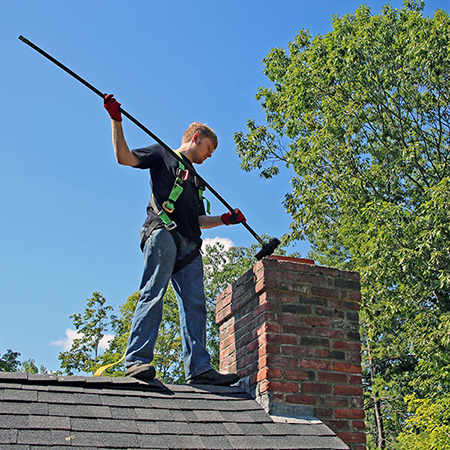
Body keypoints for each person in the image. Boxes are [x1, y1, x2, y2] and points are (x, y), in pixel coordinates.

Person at [104, 94, 246, 385]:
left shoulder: (196, 180)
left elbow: (197, 221)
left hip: (190, 245)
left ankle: (199, 369)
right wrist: (115, 119)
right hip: (163, 232)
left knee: (196, 304)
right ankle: (137, 360)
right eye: (209, 148)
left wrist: (224, 219)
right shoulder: (162, 154)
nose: (209, 156)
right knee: (153, 291)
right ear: (196, 138)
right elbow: (124, 157)